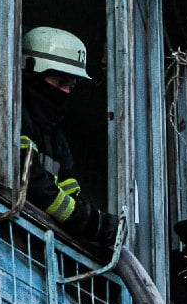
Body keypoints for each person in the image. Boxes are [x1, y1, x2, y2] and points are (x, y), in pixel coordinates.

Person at [20, 27, 118, 250]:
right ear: (31, 71)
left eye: (71, 85)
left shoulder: (57, 139)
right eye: (59, 81)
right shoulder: (15, 118)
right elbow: (33, 185)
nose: (65, 92)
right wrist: (91, 222)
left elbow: (69, 192)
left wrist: (95, 221)